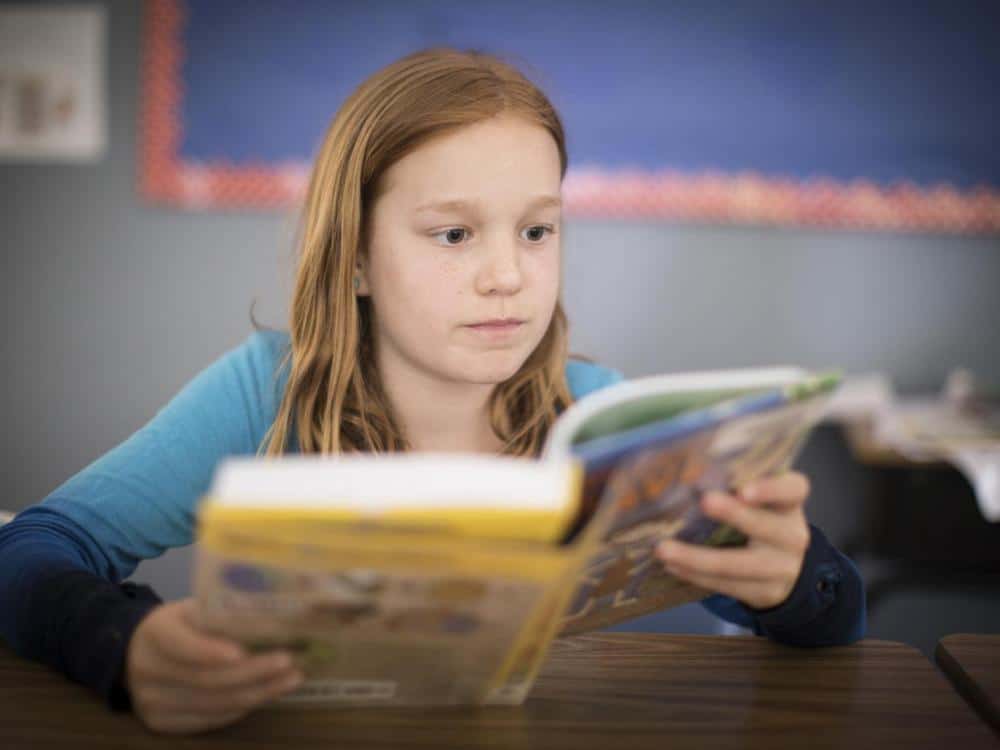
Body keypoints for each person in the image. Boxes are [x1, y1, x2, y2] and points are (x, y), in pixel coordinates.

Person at [0, 47, 865, 735]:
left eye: (537, 230)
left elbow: (829, 623)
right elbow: (33, 549)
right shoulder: (264, 393)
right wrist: (123, 641)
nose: (507, 276)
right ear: (358, 259)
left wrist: (799, 581)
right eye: (453, 233)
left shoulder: (601, 416)